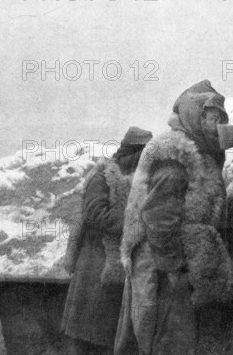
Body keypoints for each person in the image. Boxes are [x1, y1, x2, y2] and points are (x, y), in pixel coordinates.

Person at [115, 80, 233, 355]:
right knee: (164, 338)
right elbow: (158, 217)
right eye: (210, 118)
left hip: (172, 263)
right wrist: (172, 268)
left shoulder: (199, 153)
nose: (215, 125)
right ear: (194, 116)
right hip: (160, 264)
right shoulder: (175, 156)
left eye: (219, 119)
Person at [62, 127, 153, 355]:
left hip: (112, 265)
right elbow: (95, 214)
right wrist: (134, 221)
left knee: (105, 334)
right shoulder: (102, 176)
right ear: (131, 154)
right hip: (94, 264)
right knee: (89, 333)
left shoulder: (132, 181)